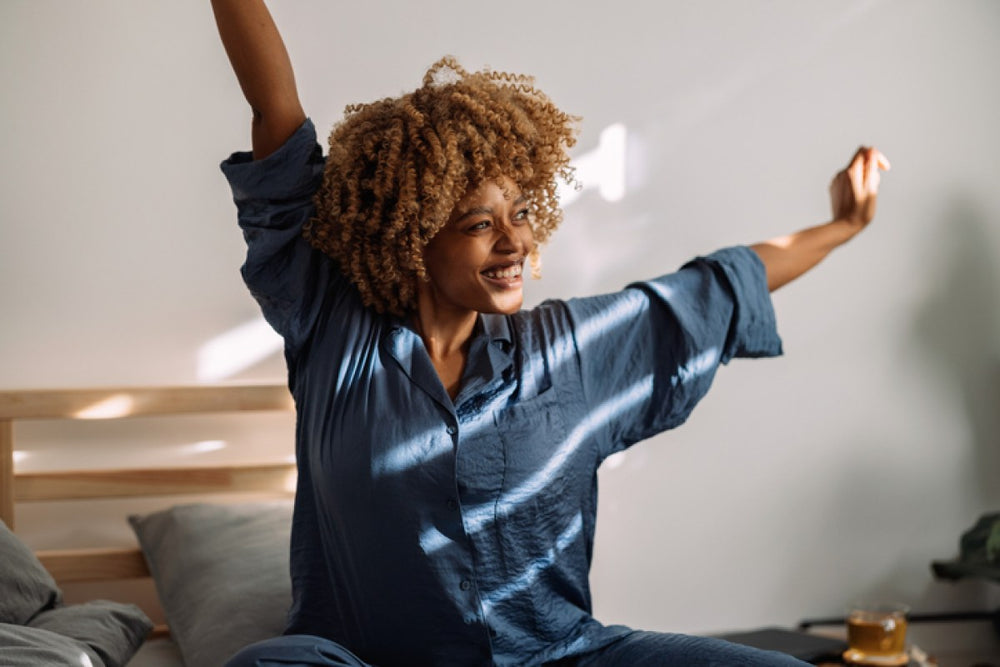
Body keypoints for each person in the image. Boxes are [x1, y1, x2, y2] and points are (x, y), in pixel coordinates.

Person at [211, 2, 889, 665]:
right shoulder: (333, 325)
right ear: (414, 238)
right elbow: (276, 112)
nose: (514, 242)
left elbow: (717, 286)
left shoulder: (570, 350)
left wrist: (842, 226)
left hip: (557, 655)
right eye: (480, 224)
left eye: (523, 212)